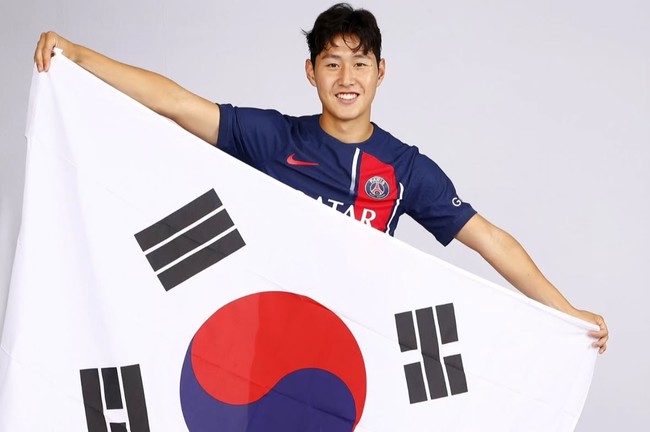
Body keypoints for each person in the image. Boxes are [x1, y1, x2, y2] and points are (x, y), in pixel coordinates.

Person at [34, 3, 607, 352]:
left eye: (360, 63)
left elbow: (491, 240)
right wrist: (81, 56)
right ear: (311, 72)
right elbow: (178, 104)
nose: (346, 77)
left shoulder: (404, 169)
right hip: (260, 337)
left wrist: (566, 313)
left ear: (381, 72)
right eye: (332, 63)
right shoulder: (275, 138)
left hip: (354, 345)